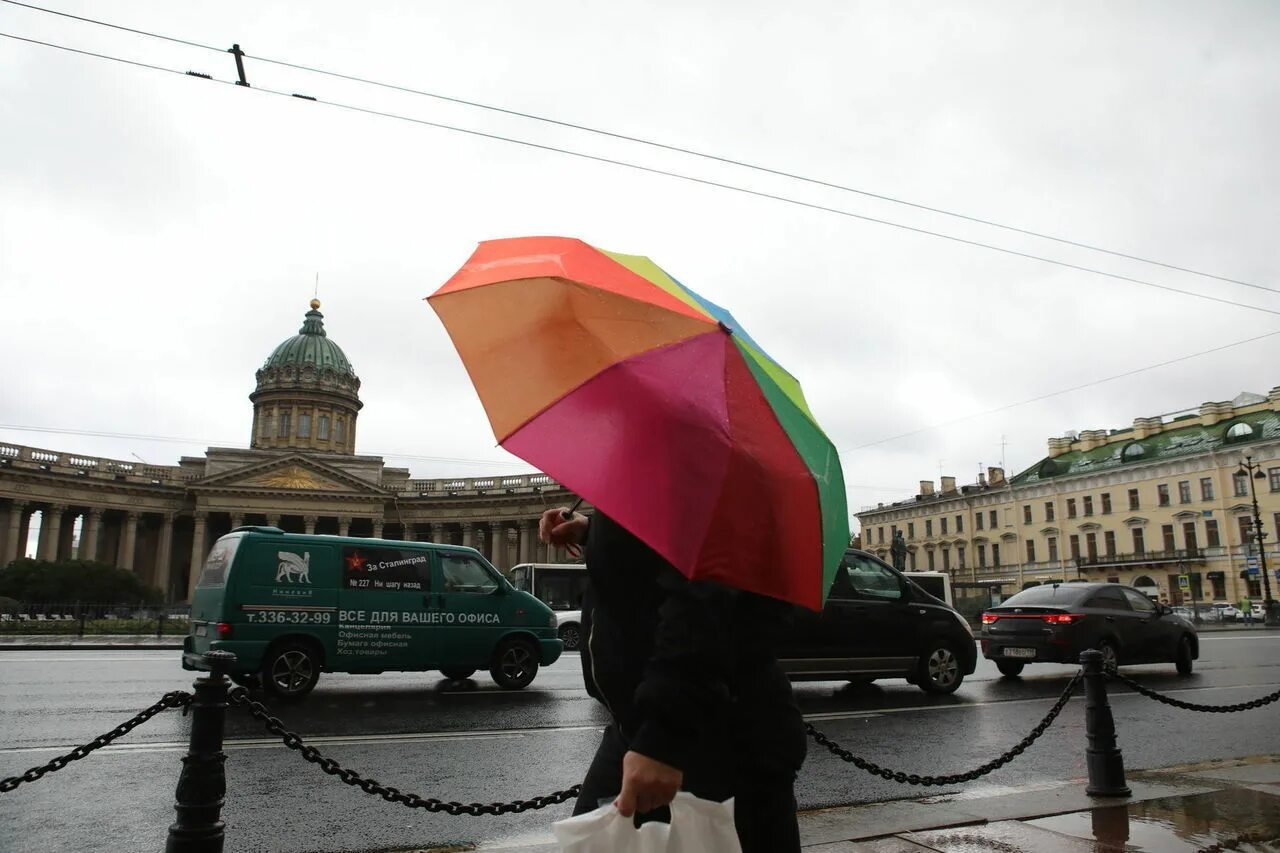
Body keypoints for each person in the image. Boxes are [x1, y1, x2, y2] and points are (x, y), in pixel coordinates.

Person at [540, 507, 807, 853]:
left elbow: (709, 590)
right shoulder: (656, 466)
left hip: (707, 732)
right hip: (640, 722)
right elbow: (659, 548)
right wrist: (592, 532)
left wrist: (664, 737)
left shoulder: (703, 463)